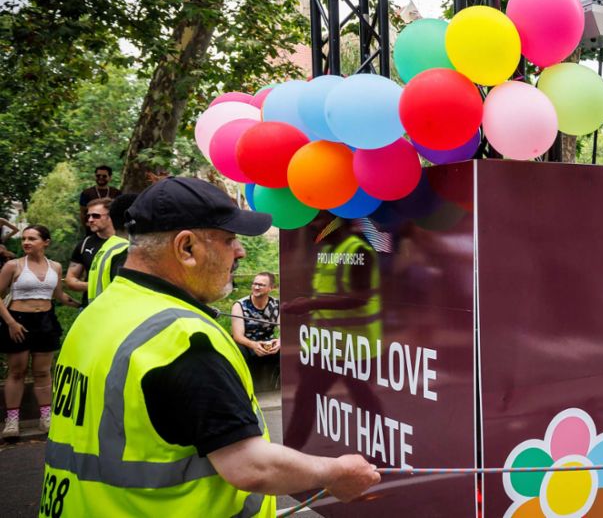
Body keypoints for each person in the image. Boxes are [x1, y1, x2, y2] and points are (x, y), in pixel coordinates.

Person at [41, 177, 379, 513]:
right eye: (230, 240)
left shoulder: (98, 312)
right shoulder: (183, 339)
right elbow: (251, 466)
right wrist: (334, 472)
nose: (241, 252)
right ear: (186, 247)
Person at [0, 226, 79, 437]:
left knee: (43, 372)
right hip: (19, 321)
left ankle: (46, 418)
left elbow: (60, 296)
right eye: (24, 238)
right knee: (17, 371)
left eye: (32, 239)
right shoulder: (12, 265)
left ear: (46, 242)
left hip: (46, 321)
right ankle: (12, 422)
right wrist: (10, 323)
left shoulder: (56, 267)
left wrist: (82, 305)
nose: (26, 242)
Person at [231, 271, 280, 390]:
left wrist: (279, 342)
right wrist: (253, 345)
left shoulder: (277, 304)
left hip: (267, 341)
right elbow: (237, 336)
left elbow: (284, 329)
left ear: (271, 288)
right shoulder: (240, 305)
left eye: (261, 285)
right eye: (254, 284)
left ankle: (279, 386)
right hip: (246, 343)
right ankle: (242, 388)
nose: (256, 287)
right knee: (239, 349)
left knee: (287, 346)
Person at [66, 199, 117, 306]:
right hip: (92, 307)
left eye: (96, 216)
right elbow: (70, 279)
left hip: (121, 307)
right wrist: (96, 285)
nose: (90, 220)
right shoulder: (85, 244)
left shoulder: (128, 242)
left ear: (110, 216)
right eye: (88, 216)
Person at [85, 193, 135, 301]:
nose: (90, 220)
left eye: (96, 216)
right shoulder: (124, 251)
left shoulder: (108, 247)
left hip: (99, 313)